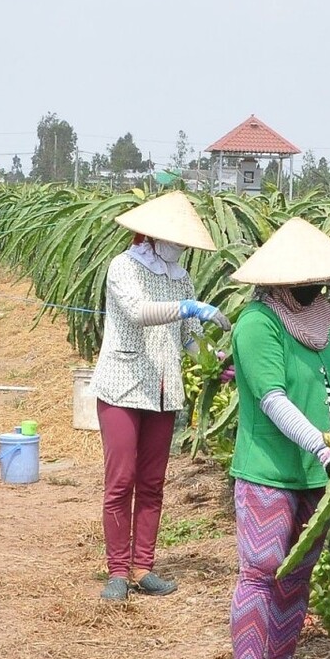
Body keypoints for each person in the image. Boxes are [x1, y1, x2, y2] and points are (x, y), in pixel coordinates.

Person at [225, 217, 330, 659]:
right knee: (261, 571)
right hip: (269, 467)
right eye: (310, 279)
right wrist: (323, 447)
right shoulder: (257, 324)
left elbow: (320, 386)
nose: (318, 288)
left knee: (296, 575)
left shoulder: (321, 322)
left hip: (315, 472)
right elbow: (272, 399)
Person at [89, 191, 228, 602]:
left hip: (164, 391)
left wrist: (215, 358)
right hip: (123, 383)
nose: (179, 247)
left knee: (152, 482)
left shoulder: (180, 276)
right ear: (151, 236)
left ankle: (144, 566)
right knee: (121, 480)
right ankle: (117, 570)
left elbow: (188, 338)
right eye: (175, 239)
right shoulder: (124, 267)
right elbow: (137, 312)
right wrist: (188, 307)